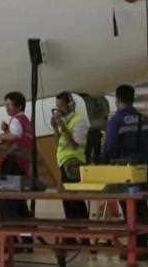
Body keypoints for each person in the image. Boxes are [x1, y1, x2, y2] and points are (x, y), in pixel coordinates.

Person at [102, 84, 148, 256]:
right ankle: (143, 247)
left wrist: (101, 163)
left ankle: (132, 250)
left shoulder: (116, 120)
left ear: (117, 100)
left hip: (125, 173)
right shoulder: (145, 119)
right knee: (141, 208)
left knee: (129, 210)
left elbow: (109, 147)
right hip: (144, 170)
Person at [0, 91, 33, 250]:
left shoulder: (17, 120)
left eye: (9, 104)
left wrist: (3, 136)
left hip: (12, 165)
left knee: (8, 204)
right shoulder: (26, 121)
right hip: (21, 165)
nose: (6, 108)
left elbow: (15, 136)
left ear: (18, 106)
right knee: (19, 204)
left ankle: (12, 242)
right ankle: (27, 240)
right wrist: (7, 131)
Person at [51, 91, 89, 223]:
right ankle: (72, 229)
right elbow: (58, 143)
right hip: (63, 163)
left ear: (70, 105)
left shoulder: (79, 121)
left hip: (73, 164)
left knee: (74, 200)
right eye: (57, 106)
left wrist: (63, 127)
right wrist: (56, 128)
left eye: (61, 106)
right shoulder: (65, 121)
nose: (59, 110)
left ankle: (82, 231)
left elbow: (74, 145)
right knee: (66, 200)